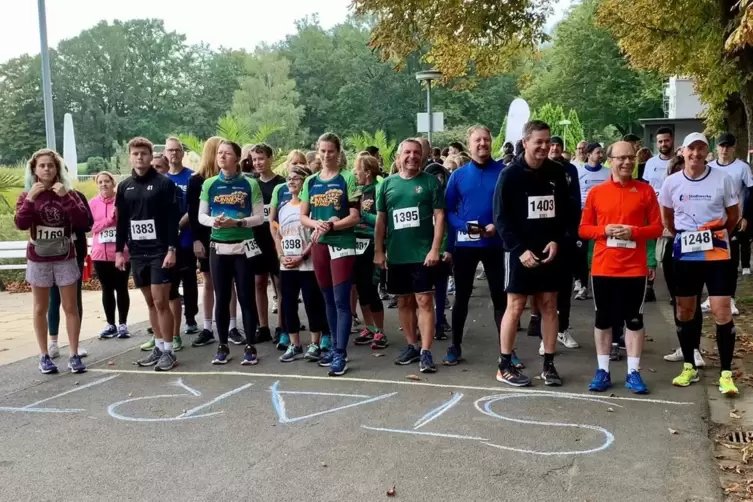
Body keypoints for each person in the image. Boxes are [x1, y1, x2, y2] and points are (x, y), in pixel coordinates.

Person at [659, 133, 740, 395]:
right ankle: (689, 365)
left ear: (708, 152)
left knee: (721, 311)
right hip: (686, 253)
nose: (695, 154)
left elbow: (733, 216)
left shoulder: (723, 178)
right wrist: (684, 235)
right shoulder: (672, 182)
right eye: (691, 149)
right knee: (685, 310)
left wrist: (716, 235)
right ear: (682, 151)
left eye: (701, 149)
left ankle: (726, 373)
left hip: (717, 253)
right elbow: (668, 219)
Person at [580, 141, 663, 394]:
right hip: (604, 266)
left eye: (631, 157)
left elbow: (658, 228)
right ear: (610, 160)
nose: (627, 162)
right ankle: (603, 370)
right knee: (603, 319)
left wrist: (634, 232)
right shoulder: (597, 192)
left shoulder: (645, 191)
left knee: (634, 320)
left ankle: (633, 372)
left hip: (634, 268)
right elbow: (583, 230)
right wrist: (604, 231)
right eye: (621, 158)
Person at [493, 120, 569, 387]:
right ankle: (504, 365)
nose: (544, 146)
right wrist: (519, 249)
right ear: (525, 142)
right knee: (515, 306)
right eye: (538, 141)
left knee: (550, 305)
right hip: (518, 252)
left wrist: (557, 240)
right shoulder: (510, 174)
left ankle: (549, 364)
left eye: (547, 141)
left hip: (549, 250)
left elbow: (566, 213)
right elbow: (500, 219)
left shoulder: (557, 172)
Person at [15, 149, 90, 374]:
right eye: (42, 166)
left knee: (70, 306)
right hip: (39, 258)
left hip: (64, 256)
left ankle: (74, 354)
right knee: (41, 307)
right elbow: (20, 223)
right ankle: (44, 355)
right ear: (34, 170)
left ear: (57, 169)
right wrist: (30, 200)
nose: (47, 169)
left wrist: (66, 197)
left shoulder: (69, 193)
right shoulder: (27, 194)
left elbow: (83, 221)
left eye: (51, 165)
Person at [375, 138, 446, 373]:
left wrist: (436, 248)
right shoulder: (386, 185)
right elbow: (381, 220)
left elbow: (439, 217)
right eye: (407, 152)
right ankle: (412, 345)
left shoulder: (430, 183)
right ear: (399, 156)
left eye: (416, 153)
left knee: (424, 301)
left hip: (423, 253)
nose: (412, 157)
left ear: (422, 156)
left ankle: (426, 351)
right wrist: (379, 250)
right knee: (404, 301)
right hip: (397, 254)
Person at [442, 125, 507, 366]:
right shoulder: (458, 176)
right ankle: (455, 345)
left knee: (501, 299)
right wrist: (462, 227)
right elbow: (447, 211)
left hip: (495, 243)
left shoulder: (503, 172)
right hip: (466, 245)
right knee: (462, 297)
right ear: (469, 146)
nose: (482, 144)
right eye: (477, 140)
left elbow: (511, 208)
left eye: (486, 140)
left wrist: (497, 227)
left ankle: (507, 350)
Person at [116, 137, 181, 372]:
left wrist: (171, 249)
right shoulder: (124, 187)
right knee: (150, 303)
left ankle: (170, 351)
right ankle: (159, 346)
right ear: (130, 156)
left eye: (144, 153)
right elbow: (122, 222)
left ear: (151, 155)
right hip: (136, 252)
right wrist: (118, 251)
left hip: (160, 250)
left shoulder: (164, 184)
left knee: (161, 300)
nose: (139, 157)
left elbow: (173, 220)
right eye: (135, 153)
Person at [199, 140, 264, 365]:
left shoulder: (250, 184)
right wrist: (214, 222)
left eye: (227, 153)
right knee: (222, 297)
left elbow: (259, 217)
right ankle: (222, 345)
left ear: (237, 159)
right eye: (219, 153)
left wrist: (238, 223)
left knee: (246, 297)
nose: (222, 156)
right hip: (218, 247)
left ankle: (250, 346)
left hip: (243, 246)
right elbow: (201, 215)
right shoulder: (209, 184)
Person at [300, 132, 360, 376]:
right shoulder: (311, 181)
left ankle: (340, 353)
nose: (326, 155)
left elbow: (355, 216)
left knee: (341, 300)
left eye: (331, 151)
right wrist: (318, 225)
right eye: (322, 151)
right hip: (319, 244)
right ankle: (334, 345)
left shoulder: (348, 178)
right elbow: (304, 216)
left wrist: (332, 225)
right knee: (327, 299)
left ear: (338, 152)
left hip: (342, 243)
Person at [272, 164, 329, 362]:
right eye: (289, 178)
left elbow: (316, 234)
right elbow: (278, 235)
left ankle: (315, 342)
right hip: (287, 263)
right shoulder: (283, 207)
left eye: (295, 178)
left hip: (307, 263)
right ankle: (294, 344)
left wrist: (303, 256)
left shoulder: (310, 207)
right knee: (288, 303)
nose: (291, 181)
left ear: (304, 181)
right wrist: (280, 255)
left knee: (312, 302)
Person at [535, 136, 582, 354]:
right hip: (540, 238)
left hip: (564, 237)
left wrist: (572, 233)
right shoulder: (534, 169)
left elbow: (574, 202)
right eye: (549, 144)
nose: (552, 148)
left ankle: (562, 329)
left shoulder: (569, 170)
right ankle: (544, 333)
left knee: (563, 288)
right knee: (541, 289)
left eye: (556, 146)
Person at [658, 155, 706, 366]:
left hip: (700, 249)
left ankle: (695, 348)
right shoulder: (669, 189)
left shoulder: (702, 188)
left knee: (694, 299)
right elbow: (664, 219)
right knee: (678, 301)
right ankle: (684, 345)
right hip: (673, 246)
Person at [701, 133, 753, 315]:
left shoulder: (742, 168)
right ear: (716, 148)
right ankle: (711, 296)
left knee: (730, 260)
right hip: (712, 220)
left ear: (734, 148)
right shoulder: (709, 167)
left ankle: (730, 298)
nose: (725, 150)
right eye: (722, 146)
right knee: (711, 259)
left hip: (733, 220)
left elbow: (750, 192)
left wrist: (745, 216)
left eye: (728, 146)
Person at [47, 183, 92, 360]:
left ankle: (75, 342)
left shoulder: (76, 195)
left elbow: (87, 223)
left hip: (74, 253)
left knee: (73, 299)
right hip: (50, 253)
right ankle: (53, 341)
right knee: (53, 298)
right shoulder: (41, 196)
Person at [247, 144, 287, 345]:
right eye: (254, 159)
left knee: (279, 283)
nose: (257, 163)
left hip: (276, 239)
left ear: (270, 158)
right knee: (258, 282)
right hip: (256, 239)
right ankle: (263, 327)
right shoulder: (251, 184)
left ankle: (282, 326)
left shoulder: (281, 184)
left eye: (261, 158)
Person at [187, 136, 223, 348]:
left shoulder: (231, 179)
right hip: (205, 237)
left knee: (229, 283)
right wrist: (196, 240)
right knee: (209, 282)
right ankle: (208, 327)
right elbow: (193, 214)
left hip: (228, 237)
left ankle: (231, 327)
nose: (224, 155)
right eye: (220, 151)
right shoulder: (196, 180)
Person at [164, 137, 199, 348]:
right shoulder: (162, 179)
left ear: (182, 153)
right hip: (169, 240)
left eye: (177, 150)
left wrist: (181, 223)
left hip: (186, 237)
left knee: (189, 280)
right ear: (166, 153)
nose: (174, 154)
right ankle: (170, 321)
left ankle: (191, 318)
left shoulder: (191, 178)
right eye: (170, 150)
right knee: (170, 282)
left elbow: (194, 208)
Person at [351, 153, 388, 348]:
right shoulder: (356, 191)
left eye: (357, 170)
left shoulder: (378, 189)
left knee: (371, 288)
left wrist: (363, 216)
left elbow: (382, 220)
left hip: (372, 244)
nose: (355, 174)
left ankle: (380, 331)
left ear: (367, 172)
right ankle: (369, 327)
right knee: (360, 289)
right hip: (354, 244)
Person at [90, 171, 131, 340]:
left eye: (107, 181)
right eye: (100, 182)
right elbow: (90, 226)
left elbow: (128, 222)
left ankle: (122, 324)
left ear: (113, 183)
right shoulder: (92, 203)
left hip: (121, 252)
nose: (103, 184)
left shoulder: (122, 201)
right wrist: (108, 220)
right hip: (100, 253)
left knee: (121, 287)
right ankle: (110, 324)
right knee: (106, 289)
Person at [573, 142, 611, 301]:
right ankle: (582, 285)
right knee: (581, 252)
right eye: (598, 152)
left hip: (603, 216)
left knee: (602, 250)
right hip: (584, 215)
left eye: (602, 153)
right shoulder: (579, 173)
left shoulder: (608, 173)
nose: (601, 156)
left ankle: (605, 283)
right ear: (588, 155)